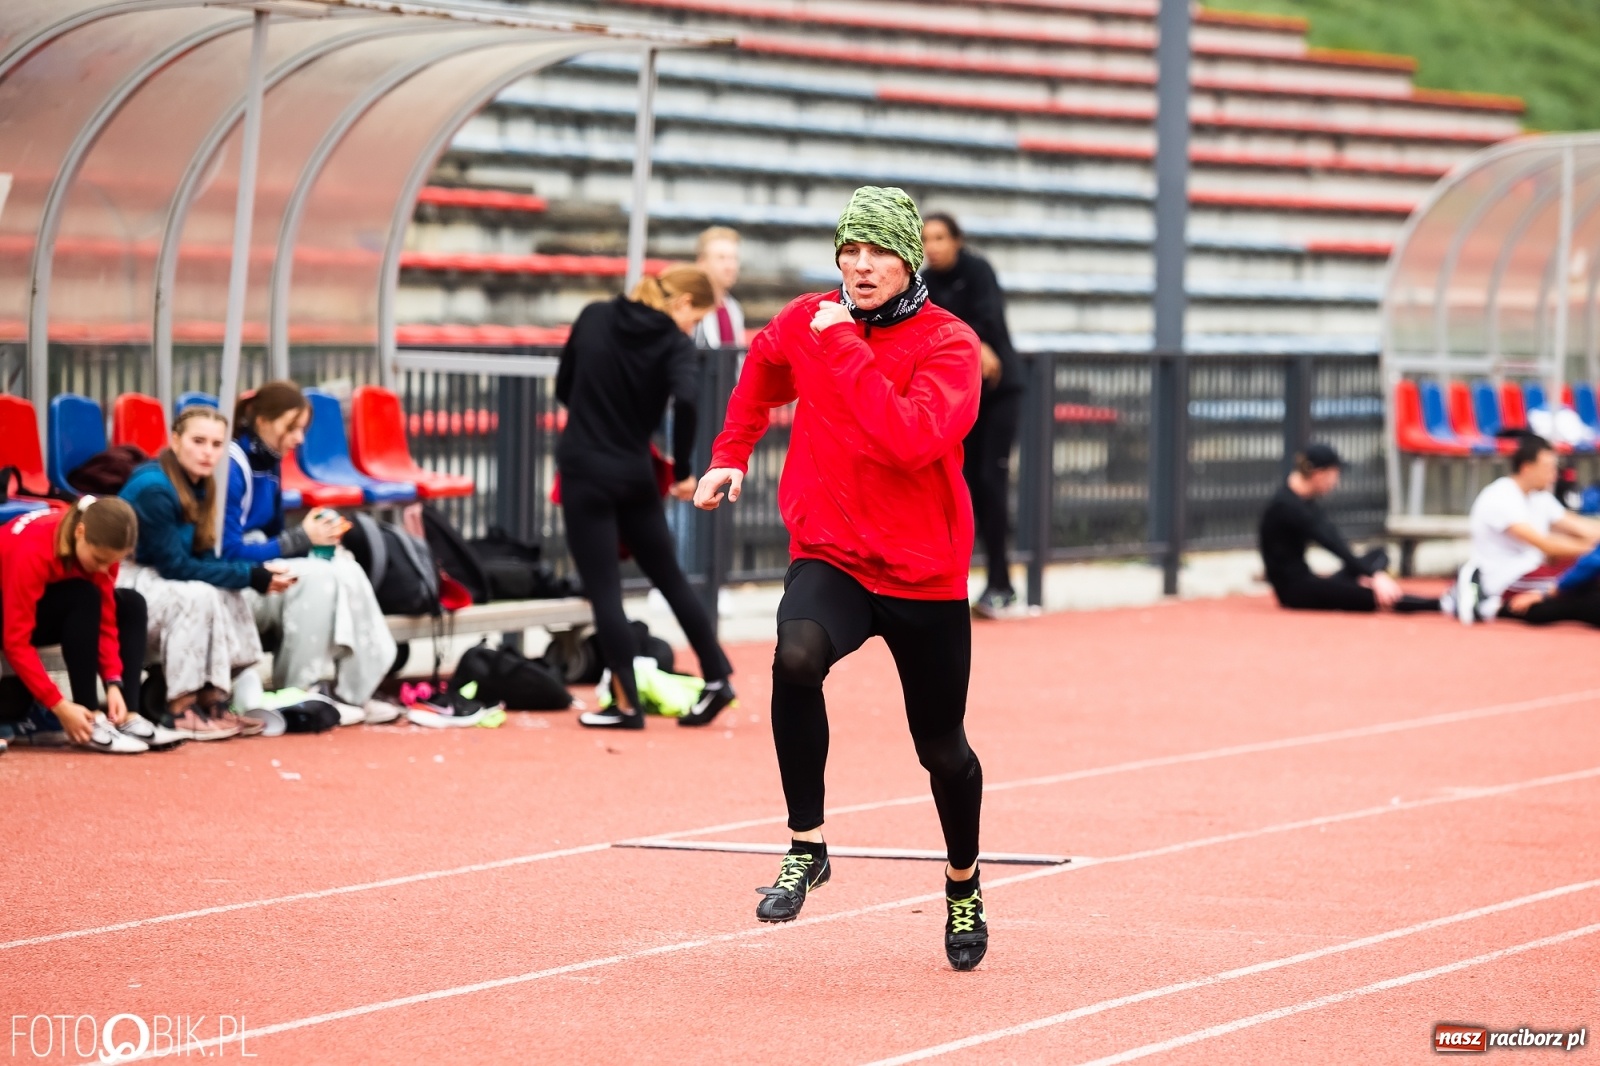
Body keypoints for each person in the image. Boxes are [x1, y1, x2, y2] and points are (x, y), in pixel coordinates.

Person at [696, 186, 989, 971]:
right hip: (834, 551)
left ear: (909, 260)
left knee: (943, 749)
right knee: (795, 657)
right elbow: (762, 373)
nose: (860, 266)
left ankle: (963, 880)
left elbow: (910, 440)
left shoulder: (951, 344)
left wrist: (845, 349)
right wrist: (731, 453)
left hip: (924, 571)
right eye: (849, 251)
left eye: (879, 253)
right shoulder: (809, 318)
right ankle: (807, 844)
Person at [556, 263, 737, 730]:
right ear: (682, 303)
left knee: (604, 590)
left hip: (584, 467)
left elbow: (563, 386)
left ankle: (626, 705)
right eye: (696, 319)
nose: (692, 328)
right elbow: (688, 401)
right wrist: (683, 470)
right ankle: (717, 677)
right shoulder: (674, 344)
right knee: (670, 577)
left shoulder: (594, 315)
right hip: (635, 471)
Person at [224, 382, 401, 724]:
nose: (299, 438)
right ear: (261, 420)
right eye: (291, 427)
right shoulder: (233, 464)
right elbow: (230, 552)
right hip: (235, 580)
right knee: (316, 579)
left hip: (260, 569)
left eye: (302, 429)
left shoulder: (270, 461)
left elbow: (275, 538)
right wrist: (301, 538)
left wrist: (317, 543)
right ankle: (299, 691)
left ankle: (355, 693)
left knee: (344, 567)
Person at [120, 404, 294, 739]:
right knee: (197, 596)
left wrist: (255, 573)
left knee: (225, 591)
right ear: (175, 440)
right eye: (198, 441)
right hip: (129, 582)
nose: (208, 452)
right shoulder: (155, 487)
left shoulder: (204, 483)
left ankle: (214, 701)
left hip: (163, 577)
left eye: (216, 444)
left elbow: (200, 557)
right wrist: (251, 576)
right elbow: (175, 566)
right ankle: (180, 708)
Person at [0, 497, 164, 753]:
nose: (103, 568)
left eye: (110, 563)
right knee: (84, 595)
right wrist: (59, 705)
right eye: (98, 559)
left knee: (131, 603)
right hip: (7, 610)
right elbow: (15, 641)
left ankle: (128, 715)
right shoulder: (33, 552)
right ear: (80, 532)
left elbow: (106, 620)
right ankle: (90, 716)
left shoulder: (101, 547)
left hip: (42, 602)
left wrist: (113, 682)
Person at [922, 212, 1024, 617]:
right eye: (926, 239)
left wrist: (976, 343)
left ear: (957, 240)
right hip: (959, 397)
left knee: (989, 482)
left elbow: (989, 317)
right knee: (957, 486)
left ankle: (1001, 583)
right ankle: (951, 585)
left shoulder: (978, 270)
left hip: (998, 392)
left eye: (940, 237)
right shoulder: (924, 283)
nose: (932, 246)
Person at [1259, 443, 1440, 614]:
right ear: (1319, 474)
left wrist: (1366, 573)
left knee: (1378, 556)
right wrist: (1374, 576)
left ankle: (1365, 581)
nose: (1335, 483)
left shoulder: (1301, 501)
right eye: (1334, 475)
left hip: (1307, 581)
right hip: (1296, 592)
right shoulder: (1288, 507)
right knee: (1371, 594)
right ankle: (1439, 604)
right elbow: (1334, 544)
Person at [1451, 433, 1600, 623]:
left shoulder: (1540, 496)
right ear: (1527, 468)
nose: (1554, 475)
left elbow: (1582, 528)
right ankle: (1489, 606)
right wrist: (1594, 552)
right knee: (1579, 581)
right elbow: (1546, 545)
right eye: (1548, 468)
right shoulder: (1500, 497)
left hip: (1533, 569)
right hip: (1507, 578)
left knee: (1584, 577)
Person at [692, 226, 744, 350]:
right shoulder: (691, 310)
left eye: (734, 258)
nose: (730, 266)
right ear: (702, 263)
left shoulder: (734, 309)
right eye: (721, 258)